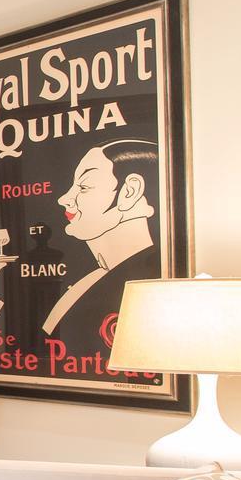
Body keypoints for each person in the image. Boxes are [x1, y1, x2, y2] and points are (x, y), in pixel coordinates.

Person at [42, 139, 161, 356]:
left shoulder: (147, 280)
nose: (64, 199)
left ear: (129, 191)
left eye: (84, 186)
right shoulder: (95, 276)